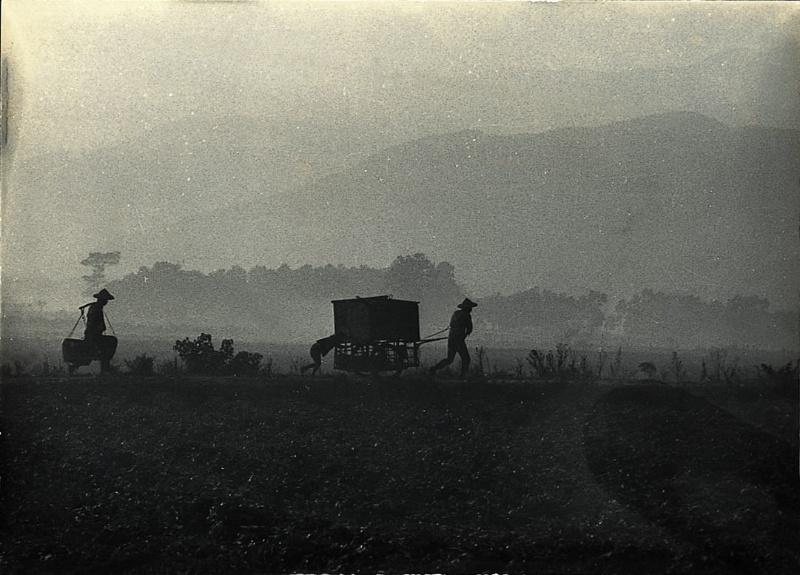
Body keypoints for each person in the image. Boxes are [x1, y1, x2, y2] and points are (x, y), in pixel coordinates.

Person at [429, 298, 477, 379]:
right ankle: (462, 376)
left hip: (451, 339)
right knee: (466, 359)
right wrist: (464, 335)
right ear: (468, 308)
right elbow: (469, 328)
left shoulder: (455, 314)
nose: (471, 309)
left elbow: (452, 325)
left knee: (449, 359)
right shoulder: (467, 315)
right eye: (470, 308)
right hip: (459, 340)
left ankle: (434, 369)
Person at [82, 288, 115, 373]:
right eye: (105, 300)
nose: (106, 302)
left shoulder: (94, 307)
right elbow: (95, 322)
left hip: (91, 333)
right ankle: (105, 372)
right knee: (105, 352)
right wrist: (100, 328)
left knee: (101, 352)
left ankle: (104, 371)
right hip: (94, 334)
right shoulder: (97, 309)